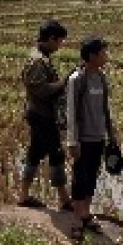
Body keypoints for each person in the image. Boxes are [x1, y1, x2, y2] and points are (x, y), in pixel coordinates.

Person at [66, 35, 118, 240]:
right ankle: (77, 217)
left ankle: (86, 213)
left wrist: (111, 134)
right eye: (103, 52)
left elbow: (105, 108)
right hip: (83, 138)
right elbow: (71, 112)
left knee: (92, 176)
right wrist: (72, 141)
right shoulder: (77, 79)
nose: (106, 56)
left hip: (98, 136)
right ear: (92, 55)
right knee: (80, 176)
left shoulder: (101, 78)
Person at [18, 19, 73, 210]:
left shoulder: (42, 58)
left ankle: (24, 195)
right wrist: (63, 83)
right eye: (59, 41)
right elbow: (40, 90)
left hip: (40, 113)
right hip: (41, 115)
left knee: (35, 152)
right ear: (51, 39)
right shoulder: (37, 61)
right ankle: (64, 199)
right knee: (56, 154)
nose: (60, 46)